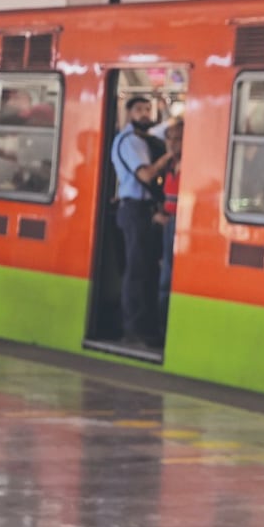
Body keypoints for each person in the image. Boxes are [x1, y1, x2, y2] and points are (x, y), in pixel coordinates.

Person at [112, 96, 173, 348]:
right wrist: (170, 156)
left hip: (145, 210)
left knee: (147, 270)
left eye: (148, 109)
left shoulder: (146, 140)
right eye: (139, 109)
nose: (145, 114)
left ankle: (145, 326)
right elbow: (146, 175)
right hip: (134, 209)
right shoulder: (129, 141)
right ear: (128, 113)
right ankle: (134, 330)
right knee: (137, 271)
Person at [153, 118, 183, 334]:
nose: (172, 144)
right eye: (169, 138)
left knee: (170, 278)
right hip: (167, 225)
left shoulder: (191, 165)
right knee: (164, 276)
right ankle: (161, 323)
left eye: (178, 139)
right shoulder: (168, 165)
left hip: (180, 227)